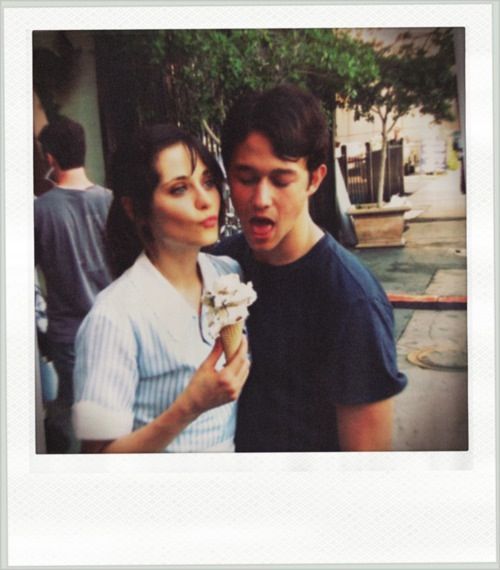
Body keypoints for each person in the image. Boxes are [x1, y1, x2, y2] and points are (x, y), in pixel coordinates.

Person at [214, 84, 407, 452]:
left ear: (315, 179)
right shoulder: (220, 267)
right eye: (246, 177)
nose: (260, 199)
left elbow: (366, 464)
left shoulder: (352, 302)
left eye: (281, 179)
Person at [72, 125, 250, 453]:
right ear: (135, 208)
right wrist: (189, 406)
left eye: (208, 182)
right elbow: (96, 458)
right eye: (179, 188)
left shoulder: (229, 275)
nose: (205, 200)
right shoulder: (113, 317)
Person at [35, 116, 113, 453]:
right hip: (113, 329)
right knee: (114, 419)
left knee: (75, 425)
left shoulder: (40, 212)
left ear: (50, 158)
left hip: (68, 337)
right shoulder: (112, 203)